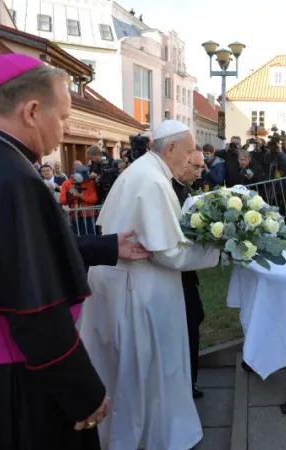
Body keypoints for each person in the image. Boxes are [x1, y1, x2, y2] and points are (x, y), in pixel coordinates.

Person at [0, 54, 149, 450]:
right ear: (32, 111)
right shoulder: (16, 179)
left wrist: (106, 245)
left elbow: (9, 254)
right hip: (13, 380)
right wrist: (83, 393)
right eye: (64, 117)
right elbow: (35, 315)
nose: (65, 129)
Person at [79, 120, 221, 450]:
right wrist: (217, 252)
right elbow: (167, 253)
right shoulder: (153, 180)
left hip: (122, 281)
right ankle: (152, 436)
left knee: (126, 367)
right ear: (169, 148)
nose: (190, 160)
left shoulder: (143, 170)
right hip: (137, 289)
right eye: (188, 153)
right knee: (144, 368)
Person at [171, 149, 207, 398]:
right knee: (187, 324)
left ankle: (190, 380)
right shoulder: (167, 190)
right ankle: (184, 382)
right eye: (196, 167)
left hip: (186, 274)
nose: (199, 172)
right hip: (173, 276)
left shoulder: (184, 189)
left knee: (194, 320)